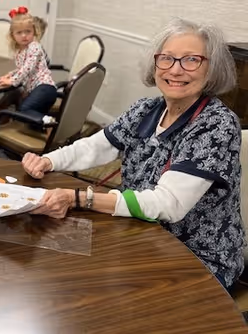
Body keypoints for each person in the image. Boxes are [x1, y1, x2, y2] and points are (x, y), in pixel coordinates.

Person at [22, 18, 245, 291]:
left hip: (195, 256)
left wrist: (80, 198)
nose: (175, 70)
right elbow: (96, 146)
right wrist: (49, 160)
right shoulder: (147, 109)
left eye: (191, 60)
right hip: (139, 233)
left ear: (212, 69)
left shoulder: (217, 125)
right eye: (167, 59)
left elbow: (168, 204)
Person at [0, 6, 56, 120]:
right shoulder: (20, 51)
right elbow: (22, 68)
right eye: (19, 32)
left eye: (28, 31)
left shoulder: (34, 47)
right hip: (38, 89)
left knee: (24, 110)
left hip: (44, 88)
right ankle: (45, 124)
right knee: (29, 119)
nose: (24, 35)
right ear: (12, 35)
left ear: (34, 31)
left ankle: (48, 122)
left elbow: (27, 68)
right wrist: (11, 74)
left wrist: (13, 81)